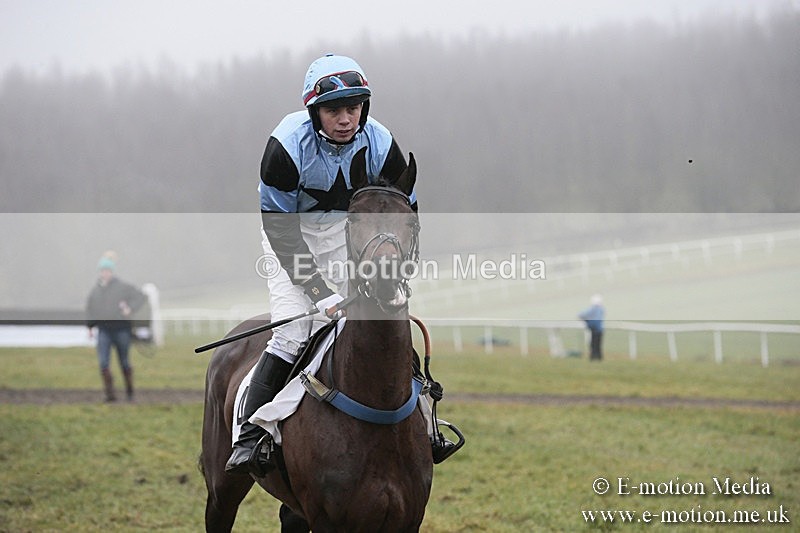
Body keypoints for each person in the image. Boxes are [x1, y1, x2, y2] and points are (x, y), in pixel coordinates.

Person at [227, 53, 455, 475]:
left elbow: (406, 209)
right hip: (290, 235)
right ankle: (250, 435)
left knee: (382, 319)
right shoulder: (285, 148)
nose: (346, 119)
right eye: (334, 110)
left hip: (348, 236)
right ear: (314, 111)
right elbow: (281, 232)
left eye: (353, 108)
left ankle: (426, 425)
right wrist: (320, 293)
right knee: (295, 329)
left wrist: (396, 268)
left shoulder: (381, 143)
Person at [86, 252, 147, 402]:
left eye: (107, 271)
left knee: (124, 362)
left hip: (121, 330)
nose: (105, 273)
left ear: (112, 272)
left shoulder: (123, 287)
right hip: (104, 331)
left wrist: (130, 309)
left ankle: (130, 392)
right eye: (102, 271)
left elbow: (141, 296)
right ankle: (110, 394)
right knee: (104, 363)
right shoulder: (96, 291)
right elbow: (91, 308)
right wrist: (90, 326)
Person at [579, 294, 605, 361]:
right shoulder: (601, 309)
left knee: (593, 344)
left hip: (594, 329)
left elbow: (582, 315)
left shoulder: (593, 308)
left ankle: (593, 358)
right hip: (600, 329)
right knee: (598, 345)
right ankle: (599, 358)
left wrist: (587, 321)